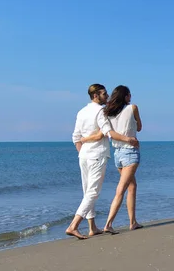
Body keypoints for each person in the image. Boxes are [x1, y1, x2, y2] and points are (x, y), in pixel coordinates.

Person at [65, 84, 138, 239]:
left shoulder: (81, 112)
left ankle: (92, 228)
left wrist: (83, 150)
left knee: (87, 191)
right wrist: (128, 139)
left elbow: (75, 137)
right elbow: (107, 133)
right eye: (104, 94)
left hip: (83, 155)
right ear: (96, 96)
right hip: (96, 155)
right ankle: (74, 225)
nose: (107, 97)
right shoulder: (100, 111)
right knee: (93, 192)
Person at [102, 85, 143, 234]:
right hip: (130, 152)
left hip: (117, 154)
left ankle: (133, 222)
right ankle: (108, 224)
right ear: (125, 97)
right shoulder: (133, 108)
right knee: (121, 189)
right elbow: (139, 128)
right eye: (129, 95)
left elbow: (110, 133)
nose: (131, 97)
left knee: (132, 186)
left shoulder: (109, 113)